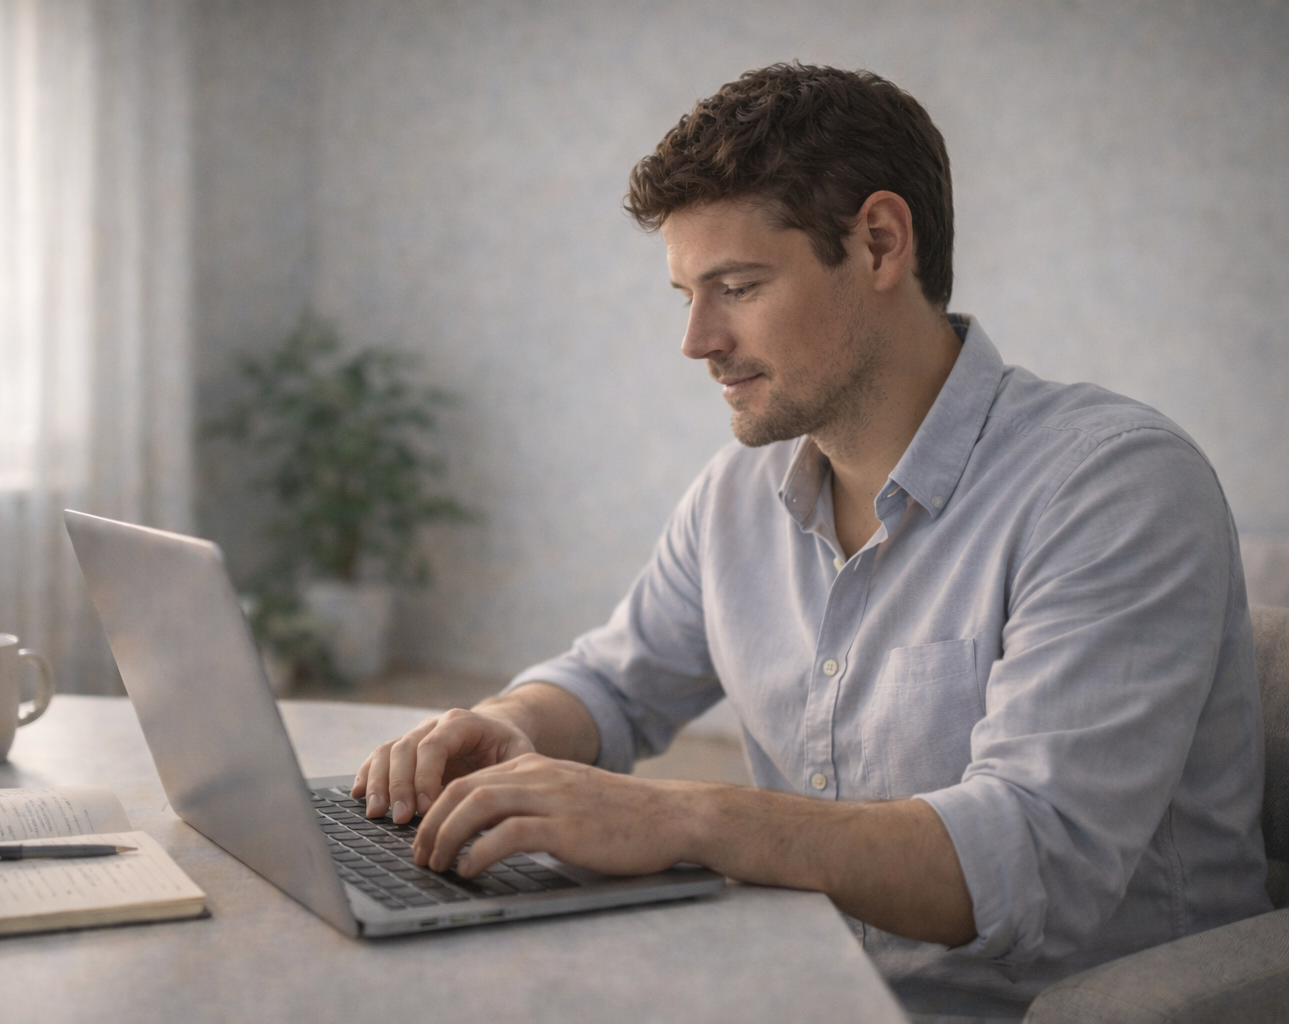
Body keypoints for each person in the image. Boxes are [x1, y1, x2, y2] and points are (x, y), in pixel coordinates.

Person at [352, 63, 1271, 1018]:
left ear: (879, 242)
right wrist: (512, 724)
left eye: (737, 286)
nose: (698, 341)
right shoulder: (738, 496)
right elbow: (614, 681)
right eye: (686, 295)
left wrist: (681, 815)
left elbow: (1034, 854)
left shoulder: (1113, 486)